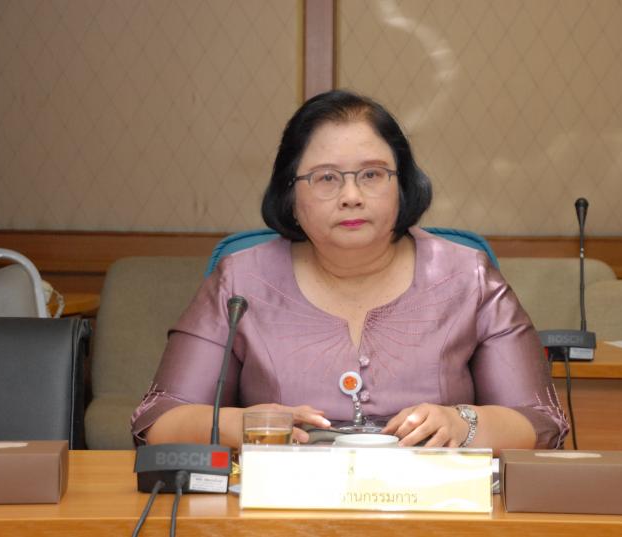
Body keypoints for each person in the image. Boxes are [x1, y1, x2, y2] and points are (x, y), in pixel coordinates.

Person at [131, 90, 568, 450]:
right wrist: (246, 425)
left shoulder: (468, 277)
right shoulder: (240, 281)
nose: (351, 196)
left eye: (372, 175)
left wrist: (463, 424)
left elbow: (542, 422)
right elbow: (156, 421)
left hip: (433, 509)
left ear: (403, 186)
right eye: (326, 178)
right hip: (280, 511)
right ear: (290, 196)